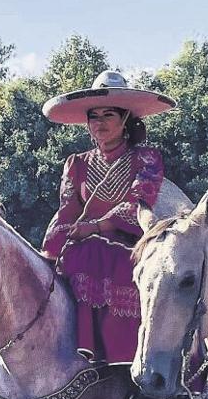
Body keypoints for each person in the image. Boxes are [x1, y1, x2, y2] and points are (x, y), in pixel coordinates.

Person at [39, 71, 176, 364]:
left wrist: (98, 226)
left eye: (108, 115)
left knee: (103, 254)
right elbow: (67, 210)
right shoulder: (76, 163)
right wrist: (53, 246)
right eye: (94, 116)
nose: (99, 122)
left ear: (125, 118)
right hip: (84, 238)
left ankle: (126, 355)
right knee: (66, 263)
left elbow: (140, 202)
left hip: (132, 236)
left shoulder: (147, 157)